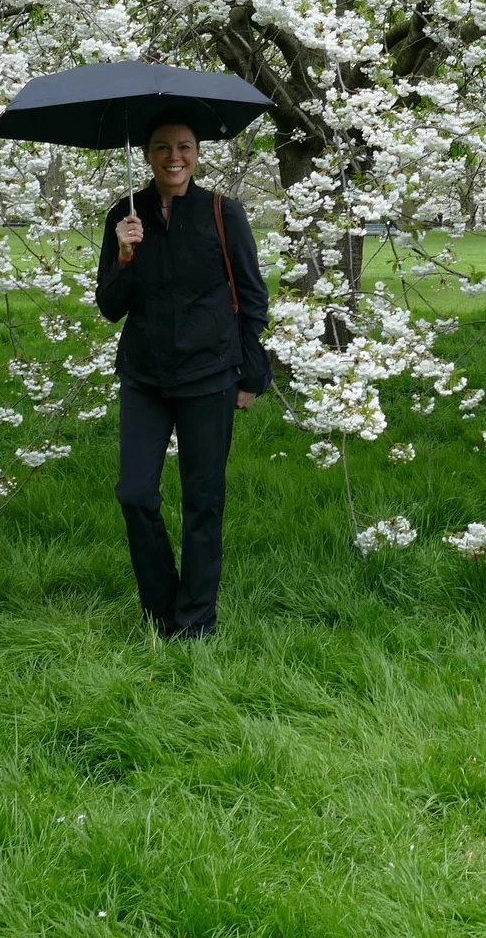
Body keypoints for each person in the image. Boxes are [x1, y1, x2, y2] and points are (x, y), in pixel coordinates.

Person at [96, 116, 271, 639]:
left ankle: (194, 621)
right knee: (135, 494)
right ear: (147, 155)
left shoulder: (223, 213)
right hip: (145, 376)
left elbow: (252, 296)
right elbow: (109, 306)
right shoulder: (124, 216)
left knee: (203, 500)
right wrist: (125, 255)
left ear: (197, 153)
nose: (175, 157)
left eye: (184, 147)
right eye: (163, 148)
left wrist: (248, 374)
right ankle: (160, 606)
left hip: (209, 375)